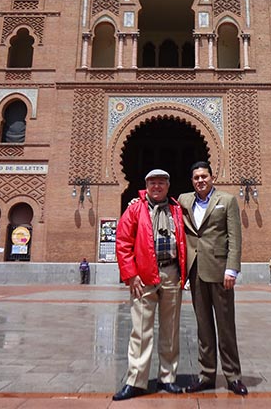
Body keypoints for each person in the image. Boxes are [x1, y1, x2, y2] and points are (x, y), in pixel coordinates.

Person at [113, 169, 187, 401]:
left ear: (168, 186)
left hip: (171, 274)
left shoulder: (177, 209)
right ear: (146, 185)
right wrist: (130, 275)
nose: (157, 187)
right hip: (143, 277)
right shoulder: (135, 208)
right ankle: (136, 381)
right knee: (141, 330)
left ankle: (168, 377)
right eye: (153, 183)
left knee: (171, 330)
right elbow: (123, 242)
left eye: (162, 183)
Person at [178, 161, 248, 396]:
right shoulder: (184, 200)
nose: (200, 180)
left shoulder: (226, 200)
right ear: (192, 181)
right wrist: (139, 200)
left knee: (226, 326)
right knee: (204, 327)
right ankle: (206, 375)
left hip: (220, 272)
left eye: (204, 176)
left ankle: (233, 376)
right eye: (196, 177)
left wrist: (232, 270)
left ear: (212, 177)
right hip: (196, 271)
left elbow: (234, 237)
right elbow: (164, 206)